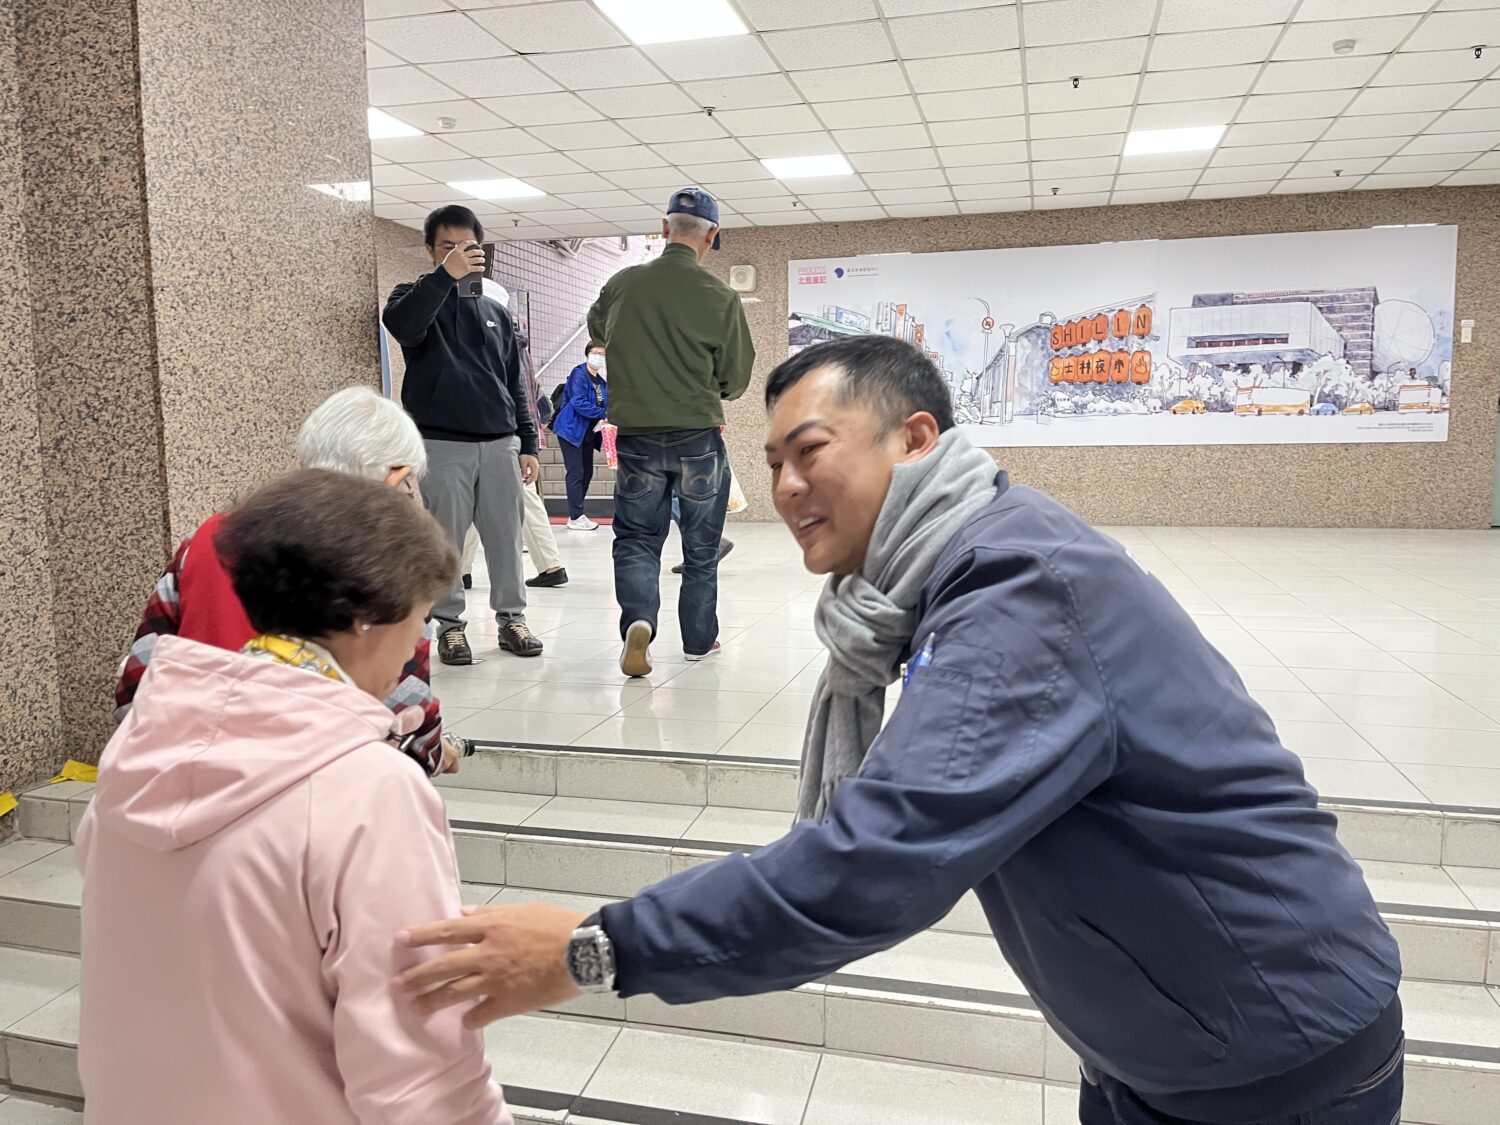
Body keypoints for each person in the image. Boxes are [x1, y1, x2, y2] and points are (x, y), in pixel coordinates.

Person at [397, 335, 1406, 1125]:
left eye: (810, 452)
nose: (786, 487)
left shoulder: (1019, 593)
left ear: (916, 440)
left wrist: (597, 949)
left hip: (1271, 1062)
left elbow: (874, 862)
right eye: (773, 463)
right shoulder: (953, 575)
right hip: (1162, 1045)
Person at [82, 471, 510, 1124]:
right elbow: (421, 1070)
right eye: (420, 620)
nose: (413, 652)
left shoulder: (142, 749)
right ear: (366, 618)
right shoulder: (370, 789)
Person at [114, 387, 467, 778]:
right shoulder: (382, 561)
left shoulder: (206, 539)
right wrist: (435, 751)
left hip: (193, 769)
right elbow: (408, 709)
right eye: (406, 486)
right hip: (317, 780)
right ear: (394, 476)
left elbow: (140, 677)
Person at [586, 187, 753, 678]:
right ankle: (699, 640)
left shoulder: (623, 284)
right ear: (712, 235)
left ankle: (639, 620)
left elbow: (598, 332)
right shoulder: (720, 296)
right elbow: (736, 379)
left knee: (637, 539)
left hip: (637, 438)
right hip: (697, 438)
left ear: (664, 228)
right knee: (701, 548)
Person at [383, 204, 543, 665]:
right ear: (430, 250)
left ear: (481, 249)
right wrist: (444, 278)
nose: (457, 254)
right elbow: (403, 326)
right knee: (445, 541)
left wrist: (528, 441)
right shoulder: (412, 297)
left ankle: (512, 619)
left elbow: (513, 381)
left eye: (466, 246)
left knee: (506, 538)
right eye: (447, 246)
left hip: (499, 442)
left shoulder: (495, 311)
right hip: (441, 444)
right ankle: (450, 627)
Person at [552, 341, 608, 532]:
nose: (598, 357)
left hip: (588, 433)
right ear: (587, 354)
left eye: (602, 354)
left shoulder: (601, 382)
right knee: (576, 472)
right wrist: (603, 414)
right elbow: (578, 402)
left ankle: (577, 513)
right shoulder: (579, 374)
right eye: (595, 353)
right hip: (571, 430)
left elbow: (605, 403)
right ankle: (576, 516)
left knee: (587, 472)